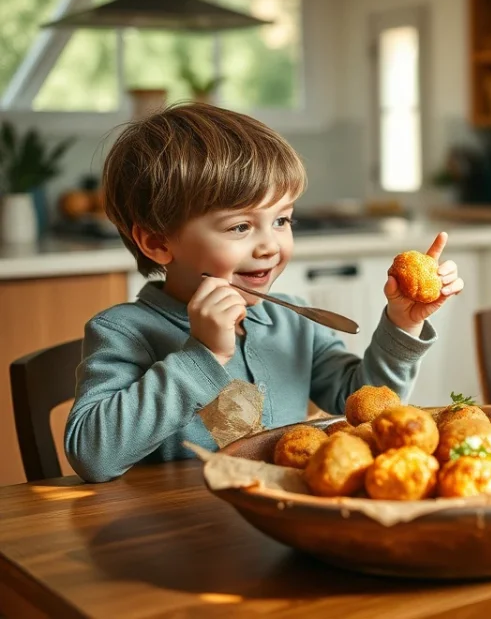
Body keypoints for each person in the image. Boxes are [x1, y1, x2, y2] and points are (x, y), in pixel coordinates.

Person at [65, 103, 463, 482]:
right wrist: (202, 356)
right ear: (156, 242)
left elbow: (367, 408)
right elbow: (92, 456)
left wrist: (402, 323)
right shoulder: (123, 331)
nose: (270, 246)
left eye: (282, 220)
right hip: (183, 535)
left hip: (281, 523)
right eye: (240, 227)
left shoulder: (294, 319)